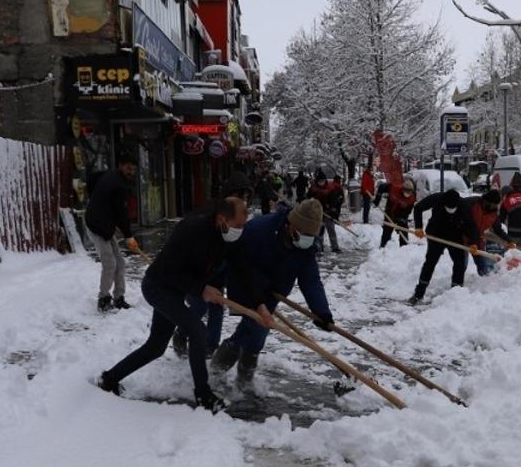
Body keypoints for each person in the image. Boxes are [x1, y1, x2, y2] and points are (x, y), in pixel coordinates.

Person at [97, 197, 271, 413]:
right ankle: (204, 396)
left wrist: (260, 303)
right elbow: (167, 272)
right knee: (196, 330)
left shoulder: (228, 236)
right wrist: (201, 289)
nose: (241, 230)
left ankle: (109, 378)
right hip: (158, 286)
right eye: (239, 225)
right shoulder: (191, 230)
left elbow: (243, 270)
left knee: (156, 347)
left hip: (176, 291)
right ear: (221, 219)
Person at [212, 199, 334, 387]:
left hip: (272, 291)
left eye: (312, 235)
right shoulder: (259, 230)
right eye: (305, 234)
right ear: (292, 226)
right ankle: (214, 375)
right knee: (251, 327)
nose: (308, 239)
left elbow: (310, 281)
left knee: (257, 334)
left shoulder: (306, 247)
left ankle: (243, 382)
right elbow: (241, 263)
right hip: (246, 282)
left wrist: (321, 312)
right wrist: (259, 289)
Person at [84, 154, 140, 312]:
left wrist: (94, 198)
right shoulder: (118, 184)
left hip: (106, 225)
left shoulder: (112, 175)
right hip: (96, 225)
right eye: (128, 168)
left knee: (120, 263)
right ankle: (103, 298)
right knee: (110, 264)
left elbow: (93, 177)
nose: (131, 172)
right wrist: (128, 236)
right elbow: (121, 213)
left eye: (134, 169)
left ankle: (119, 297)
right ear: (121, 165)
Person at [408, 187, 479, 305]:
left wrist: (474, 242)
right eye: (448, 207)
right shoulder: (437, 198)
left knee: (460, 263)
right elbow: (418, 207)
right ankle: (418, 294)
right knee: (430, 263)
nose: (450, 210)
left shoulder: (464, 206)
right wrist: (418, 227)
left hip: (455, 236)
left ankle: (456, 293)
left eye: (453, 208)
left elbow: (471, 226)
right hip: (436, 234)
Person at [468, 190, 512, 276]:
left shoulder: (493, 213)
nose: (495, 206)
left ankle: (484, 282)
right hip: (463, 238)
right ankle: (458, 287)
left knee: (482, 266)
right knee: (461, 264)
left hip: (477, 241)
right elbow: (468, 225)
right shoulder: (473, 204)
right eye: (494, 204)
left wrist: (509, 240)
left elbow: (498, 229)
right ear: (487, 201)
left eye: (497, 204)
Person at [379, 177, 417, 248]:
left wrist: (402, 219)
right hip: (390, 213)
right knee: (387, 231)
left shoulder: (412, 198)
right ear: (402, 189)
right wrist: (378, 197)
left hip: (401, 215)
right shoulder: (394, 189)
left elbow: (408, 210)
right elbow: (381, 187)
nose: (407, 193)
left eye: (409, 192)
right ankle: (382, 247)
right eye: (406, 191)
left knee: (404, 232)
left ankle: (404, 248)